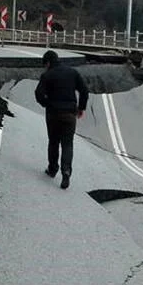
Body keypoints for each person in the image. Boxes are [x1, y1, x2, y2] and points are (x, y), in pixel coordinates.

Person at [35, 50, 89, 189]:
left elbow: (38, 94)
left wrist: (47, 104)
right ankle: (66, 172)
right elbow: (84, 90)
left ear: (48, 63)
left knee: (53, 142)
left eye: (45, 64)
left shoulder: (47, 75)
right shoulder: (72, 72)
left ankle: (52, 169)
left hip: (53, 114)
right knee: (67, 144)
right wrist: (81, 108)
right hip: (70, 114)